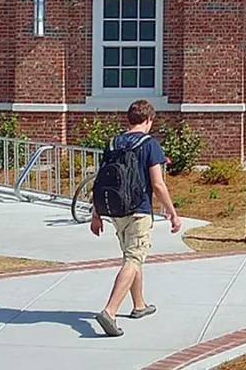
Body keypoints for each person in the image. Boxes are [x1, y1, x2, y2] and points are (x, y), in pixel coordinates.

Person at [87, 99, 180, 338]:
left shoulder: (113, 143)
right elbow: (158, 184)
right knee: (133, 258)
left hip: (116, 210)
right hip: (139, 209)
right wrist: (172, 212)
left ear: (129, 119)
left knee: (133, 256)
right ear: (149, 120)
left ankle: (139, 305)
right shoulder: (150, 145)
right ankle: (110, 311)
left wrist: (96, 214)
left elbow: (101, 181)